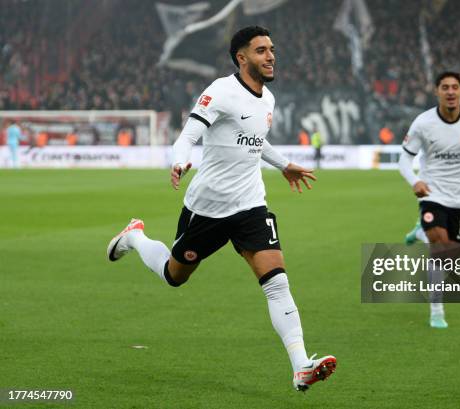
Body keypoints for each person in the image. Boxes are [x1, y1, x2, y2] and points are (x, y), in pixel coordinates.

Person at [106, 26, 336, 392]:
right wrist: (179, 161)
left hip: (250, 205)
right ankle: (135, 236)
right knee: (174, 275)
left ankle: (300, 366)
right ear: (242, 58)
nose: (271, 55)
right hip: (208, 208)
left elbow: (256, 142)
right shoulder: (221, 91)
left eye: (272, 49)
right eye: (261, 50)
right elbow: (188, 135)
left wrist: (284, 164)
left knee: (277, 281)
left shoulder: (269, 99)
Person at [398, 71, 460, 329]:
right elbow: (404, 159)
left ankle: (420, 232)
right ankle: (436, 310)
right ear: (437, 91)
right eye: (445, 87)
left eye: (455, 87)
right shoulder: (423, 123)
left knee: (452, 259)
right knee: (439, 250)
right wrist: (415, 181)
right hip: (433, 195)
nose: (450, 91)